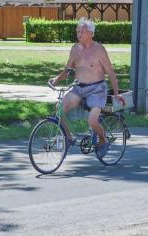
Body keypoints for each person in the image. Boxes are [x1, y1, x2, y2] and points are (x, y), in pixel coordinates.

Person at [48, 17, 125, 157]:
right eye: (77, 31)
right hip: (79, 88)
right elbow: (67, 70)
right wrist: (57, 79)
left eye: (82, 31)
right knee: (59, 110)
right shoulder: (75, 49)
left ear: (91, 33)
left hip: (97, 90)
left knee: (92, 120)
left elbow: (111, 74)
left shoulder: (99, 49)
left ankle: (103, 139)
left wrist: (116, 93)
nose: (78, 33)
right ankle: (69, 138)